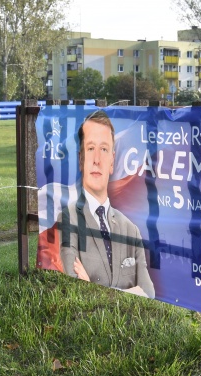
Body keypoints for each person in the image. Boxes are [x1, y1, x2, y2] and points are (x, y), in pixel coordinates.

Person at [60, 109, 155, 298]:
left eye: (103, 149)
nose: (96, 160)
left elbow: (149, 292)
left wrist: (105, 292)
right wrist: (129, 292)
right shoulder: (69, 218)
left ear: (112, 161)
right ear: (81, 159)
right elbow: (74, 281)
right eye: (90, 149)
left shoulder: (131, 230)